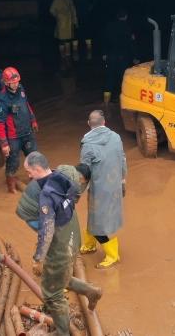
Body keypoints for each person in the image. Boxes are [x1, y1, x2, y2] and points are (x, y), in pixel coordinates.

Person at [24, 152, 103, 335]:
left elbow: (47, 230)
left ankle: (62, 332)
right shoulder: (62, 177)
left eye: (29, 171)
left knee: (53, 294)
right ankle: (91, 291)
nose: (28, 176)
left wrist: (38, 258)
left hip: (61, 247)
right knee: (62, 277)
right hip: (73, 237)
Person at [78, 110, 127, 269]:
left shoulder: (87, 145)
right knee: (95, 217)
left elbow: (84, 173)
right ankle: (90, 244)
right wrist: (123, 181)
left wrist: (76, 192)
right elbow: (122, 160)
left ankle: (112, 255)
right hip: (115, 185)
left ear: (88, 124)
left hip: (99, 189)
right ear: (104, 122)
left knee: (98, 223)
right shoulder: (116, 137)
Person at [0, 67, 39, 193]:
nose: (15, 84)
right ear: (6, 82)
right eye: (12, 82)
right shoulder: (2, 99)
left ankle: (34, 185)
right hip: (14, 137)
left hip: (27, 132)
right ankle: (11, 188)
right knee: (13, 162)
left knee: (34, 158)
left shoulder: (21, 89)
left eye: (17, 81)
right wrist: (4, 144)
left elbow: (26, 105)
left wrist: (33, 120)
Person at [102, 9, 136, 104]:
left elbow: (105, 40)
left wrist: (104, 54)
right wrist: (135, 57)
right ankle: (124, 103)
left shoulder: (109, 26)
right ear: (126, 16)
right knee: (123, 79)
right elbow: (131, 44)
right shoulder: (128, 27)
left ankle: (106, 103)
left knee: (109, 78)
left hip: (110, 56)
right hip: (123, 57)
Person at [49, 0, 78, 72]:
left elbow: (73, 11)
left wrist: (75, 21)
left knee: (68, 40)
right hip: (62, 23)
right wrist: (59, 16)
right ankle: (63, 56)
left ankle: (68, 55)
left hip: (68, 23)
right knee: (62, 40)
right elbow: (52, 10)